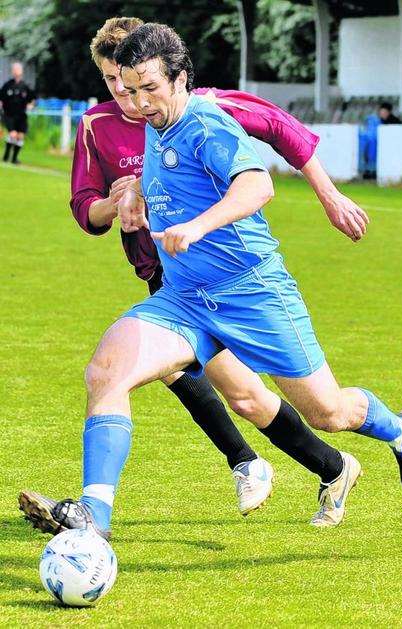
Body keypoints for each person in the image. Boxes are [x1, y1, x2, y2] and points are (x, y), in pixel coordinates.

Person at [19, 18, 362, 535]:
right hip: (166, 281)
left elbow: (283, 133)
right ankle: (110, 511)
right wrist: (116, 203)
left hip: (227, 277)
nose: (127, 96)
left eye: (135, 82)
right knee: (152, 375)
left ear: (167, 75)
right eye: (114, 82)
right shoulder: (97, 124)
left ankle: (297, 463)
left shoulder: (204, 108)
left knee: (258, 397)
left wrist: (330, 195)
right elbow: (85, 210)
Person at [0, 62, 35, 164]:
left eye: (18, 69)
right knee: (13, 134)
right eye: (15, 69)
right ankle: (7, 155)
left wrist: (31, 104)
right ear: (12, 71)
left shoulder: (25, 86)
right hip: (9, 115)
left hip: (21, 115)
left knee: (20, 136)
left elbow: (32, 99)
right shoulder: (7, 85)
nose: (17, 71)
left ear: (21, 71)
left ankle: (14, 158)